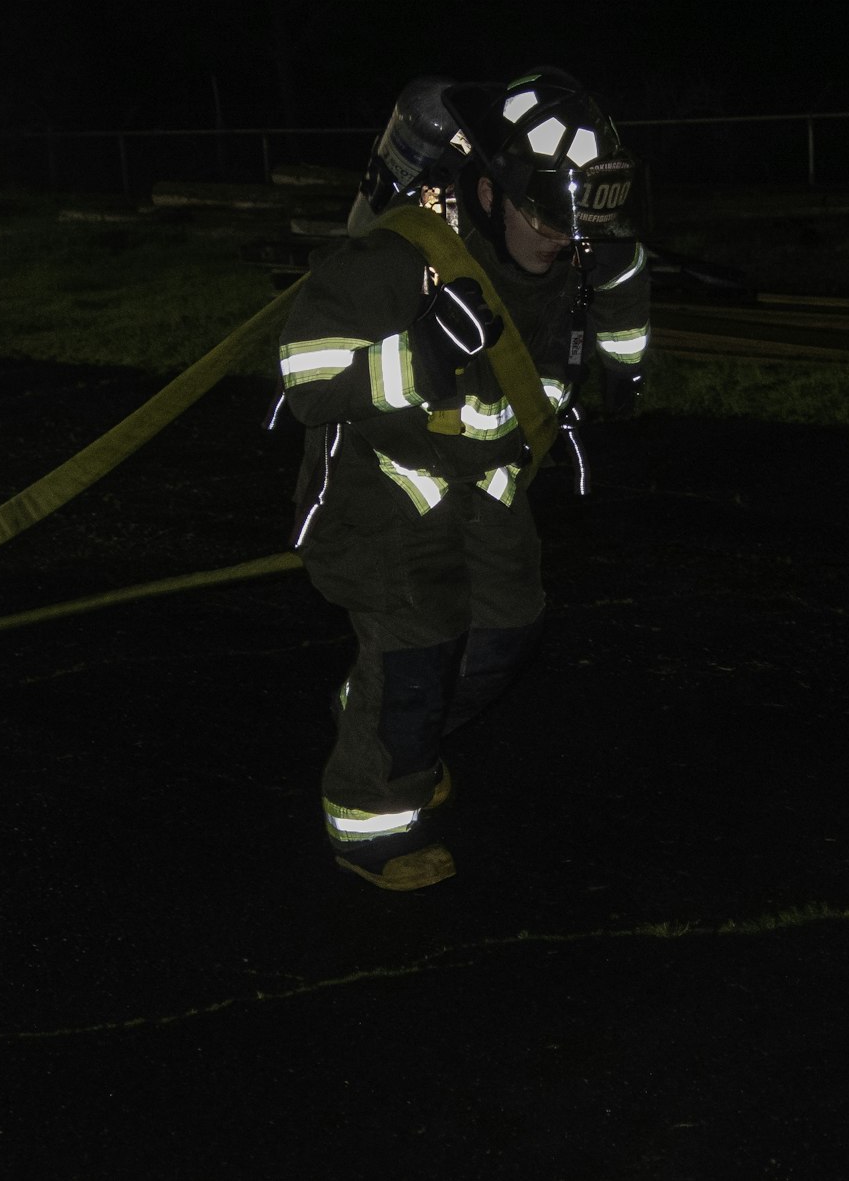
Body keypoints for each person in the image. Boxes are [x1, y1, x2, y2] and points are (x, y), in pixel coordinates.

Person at [275, 68, 650, 890]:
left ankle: (383, 720)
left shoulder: (578, 232)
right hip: (387, 486)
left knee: (507, 633)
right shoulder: (403, 254)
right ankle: (369, 826)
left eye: (581, 221)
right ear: (488, 188)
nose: (568, 240)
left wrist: (624, 362)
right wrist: (421, 356)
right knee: (419, 651)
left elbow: (621, 273)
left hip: (489, 481)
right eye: (550, 218)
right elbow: (307, 377)